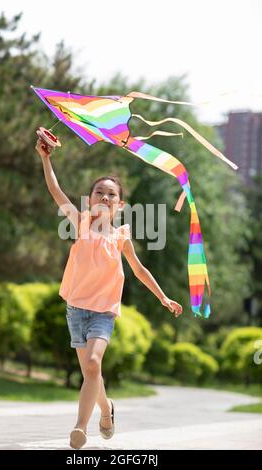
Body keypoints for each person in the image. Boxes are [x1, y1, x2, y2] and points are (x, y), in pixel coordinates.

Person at [35, 138, 183, 449]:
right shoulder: (81, 223)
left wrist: (163, 297)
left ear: (120, 206)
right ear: (89, 201)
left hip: (103, 312)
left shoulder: (121, 236)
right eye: (99, 192)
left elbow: (140, 271)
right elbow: (54, 191)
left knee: (92, 365)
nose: (104, 196)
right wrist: (46, 158)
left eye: (111, 194)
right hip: (76, 309)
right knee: (92, 371)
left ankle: (79, 428)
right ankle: (107, 408)